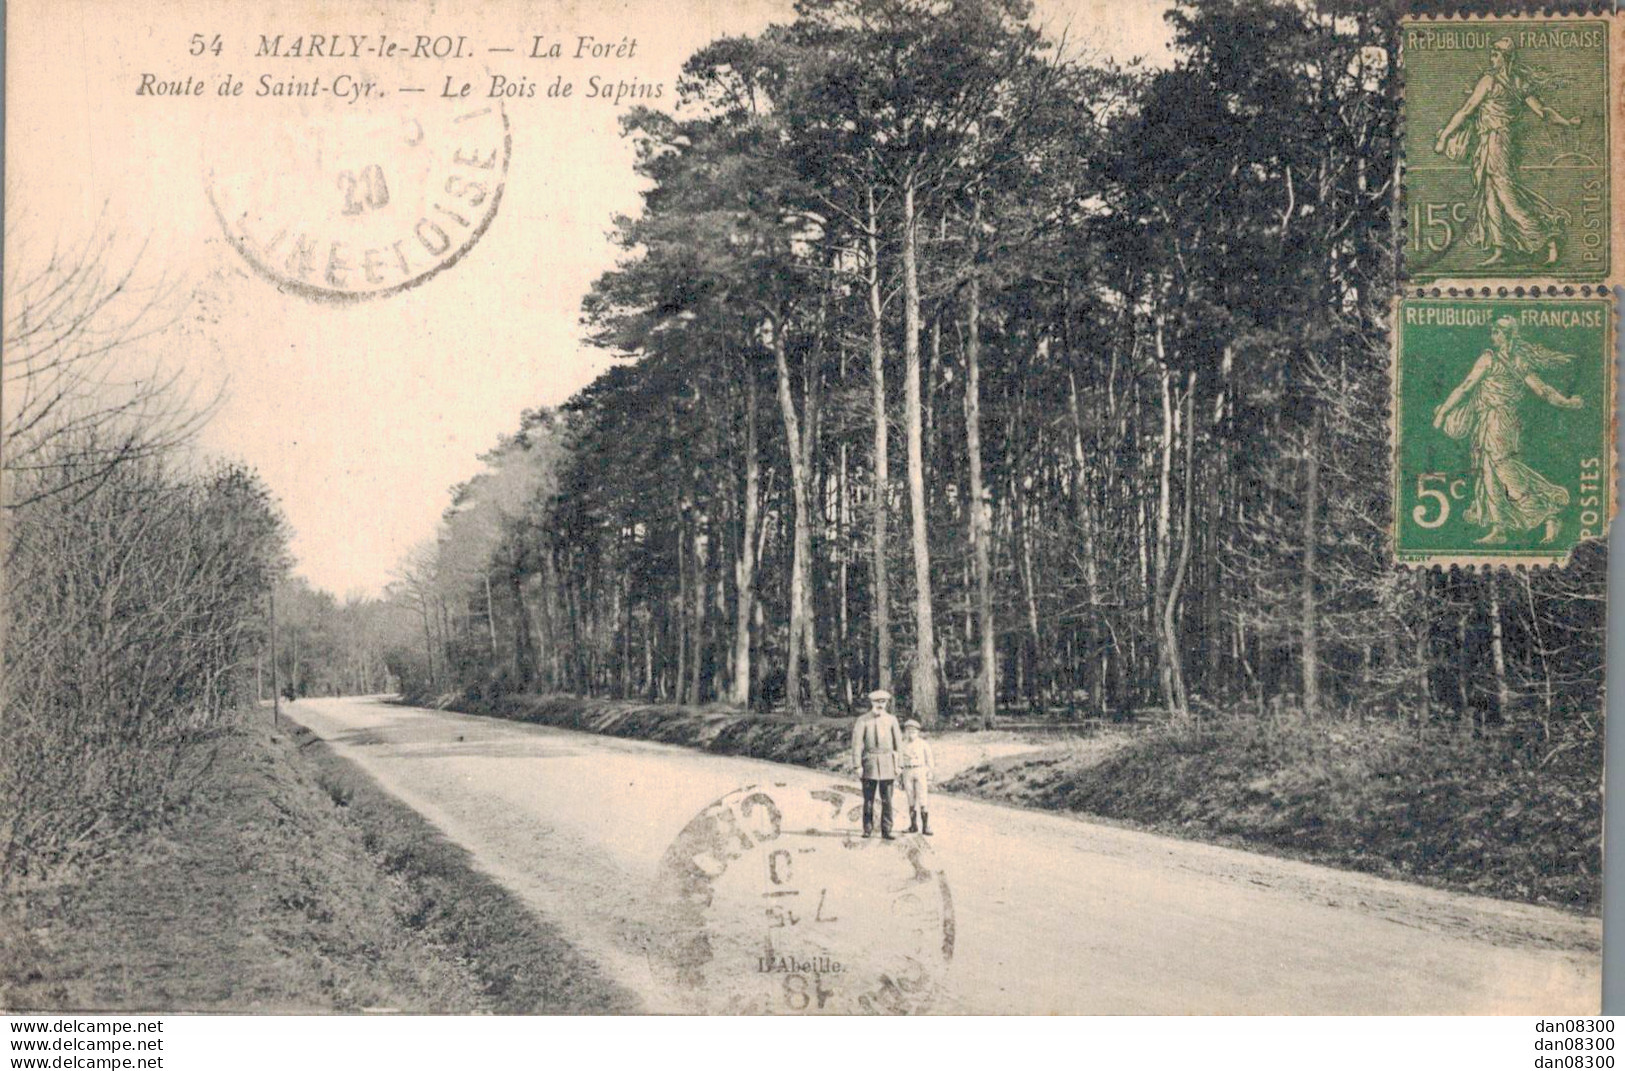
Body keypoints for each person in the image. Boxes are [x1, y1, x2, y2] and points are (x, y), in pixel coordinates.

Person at [1432, 316, 1582, 545]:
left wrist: (1443, 412)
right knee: (1488, 472)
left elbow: (1466, 388)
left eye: (1496, 332)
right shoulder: (1512, 361)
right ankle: (1499, 528)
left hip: (1499, 422)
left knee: (1504, 471)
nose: (1492, 336)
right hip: (1492, 421)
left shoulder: (1492, 359)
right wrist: (1566, 402)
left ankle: (1548, 510)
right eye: (1492, 331)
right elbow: (1542, 391)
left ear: (1507, 335)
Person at [1432, 37, 1579, 267]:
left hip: (1497, 141)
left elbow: (1468, 109)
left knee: (1506, 195)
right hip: (1490, 141)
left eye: (1496, 54)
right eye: (1491, 53)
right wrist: (1568, 122)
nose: (1492, 58)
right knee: (1490, 194)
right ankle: (1500, 249)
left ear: (1506, 57)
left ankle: (1548, 238)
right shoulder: (1517, 82)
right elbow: (1543, 112)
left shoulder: (1492, 81)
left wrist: (1444, 136)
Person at [851, 689, 902, 839]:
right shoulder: (863, 720)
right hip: (869, 763)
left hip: (887, 763)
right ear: (871, 702)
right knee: (868, 799)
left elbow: (899, 744)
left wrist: (899, 765)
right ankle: (867, 828)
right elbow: (857, 744)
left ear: (887, 703)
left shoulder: (892, 720)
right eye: (876, 702)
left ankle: (887, 829)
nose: (880, 704)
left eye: (883, 702)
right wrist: (857, 765)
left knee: (887, 799)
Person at [899, 718, 935, 836]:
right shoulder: (902, 744)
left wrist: (929, 773)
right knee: (910, 798)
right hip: (907, 771)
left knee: (923, 798)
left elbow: (930, 760)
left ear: (918, 732)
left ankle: (925, 826)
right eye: (908, 731)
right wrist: (899, 776)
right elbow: (899, 761)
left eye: (913, 731)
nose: (911, 733)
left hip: (920, 770)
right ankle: (913, 825)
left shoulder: (923, 744)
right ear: (905, 732)